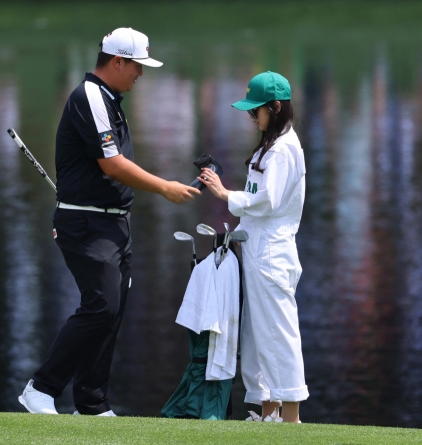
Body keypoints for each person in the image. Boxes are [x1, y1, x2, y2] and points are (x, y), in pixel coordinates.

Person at [18, 27, 200, 416]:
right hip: (86, 223)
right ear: (117, 61)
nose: (140, 74)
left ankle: (92, 402)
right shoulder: (90, 96)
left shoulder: (111, 100)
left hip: (113, 224)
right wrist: (164, 187)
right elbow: (112, 165)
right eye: (137, 66)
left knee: (112, 310)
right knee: (101, 306)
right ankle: (41, 388)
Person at [197, 71, 309, 423]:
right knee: (257, 333)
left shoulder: (282, 150)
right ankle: (267, 411)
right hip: (259, 249)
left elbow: (270, 200)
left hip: (273, 252)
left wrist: (225, 194)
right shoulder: (271, 145)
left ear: (275, 108)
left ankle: (290, 419)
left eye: (255, 111)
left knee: (278, 331)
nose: (251, 118)